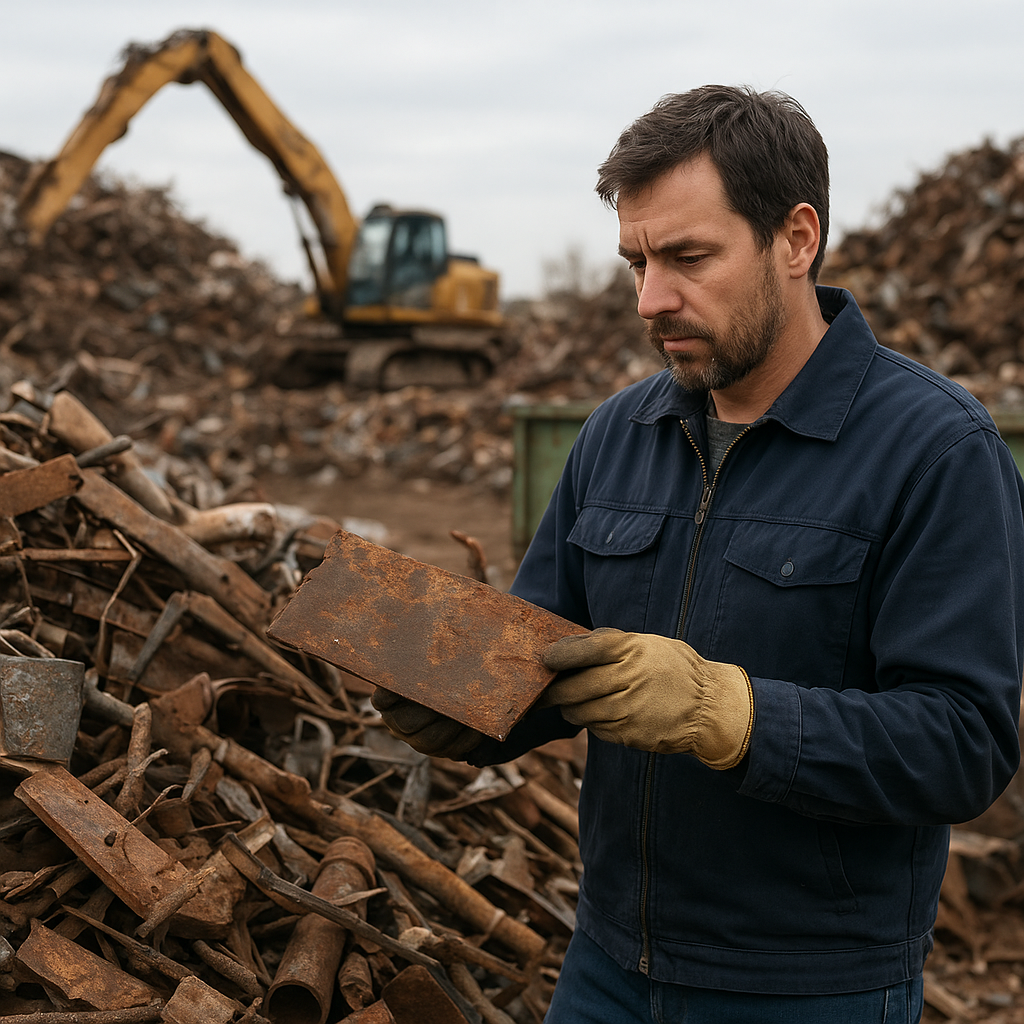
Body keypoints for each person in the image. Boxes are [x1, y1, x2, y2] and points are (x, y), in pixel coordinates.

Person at [371, 85, 1024, 1022]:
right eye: (636, 260)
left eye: (687, 257)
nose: (651, 298)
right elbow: (549, 657)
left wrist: (732, 713)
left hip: (808, 988)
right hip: (605, 965)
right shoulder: (617, 435)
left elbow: (964, 744)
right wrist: (458, 701)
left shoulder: (934, 450)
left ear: (796, 240)